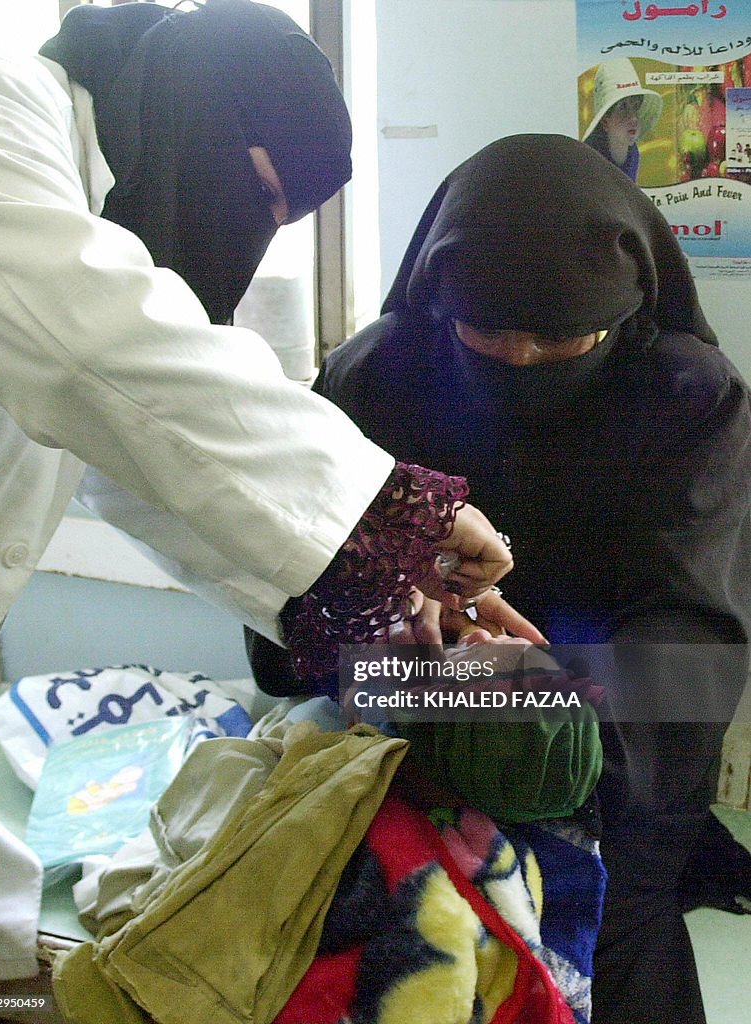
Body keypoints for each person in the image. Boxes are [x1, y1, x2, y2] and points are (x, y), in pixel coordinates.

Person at [0, 1, 540, 984]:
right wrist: (397, 516)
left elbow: (144, 468)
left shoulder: (104, 197)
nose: (253, 242)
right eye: (264, 197)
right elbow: (95, 352)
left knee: (4, 942)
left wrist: (369, 593)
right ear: (201, 117)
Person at [247, 135, 751, 1024]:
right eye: (485, 331)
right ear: (438, 302)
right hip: (395, 784)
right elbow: (288, 600)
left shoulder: (685, 396)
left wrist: (517, 695)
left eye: (559, 339)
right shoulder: (375, 374)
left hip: (612, 798)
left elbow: (692, 650)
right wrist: (400, 650)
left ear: (626, 308)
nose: (517, 358)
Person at [582, 57, 662, 181]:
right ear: (605, 122)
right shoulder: (590, 161)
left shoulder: (633, 154)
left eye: (636, 106)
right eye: (623, 108)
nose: (634, 118)